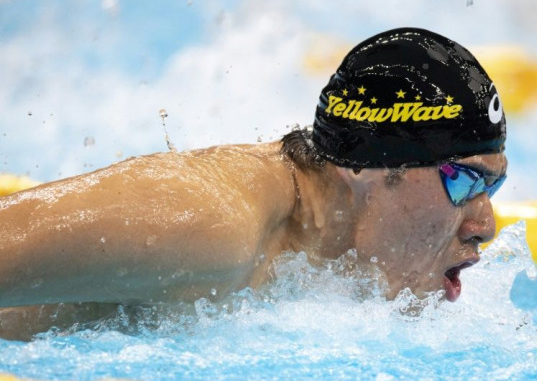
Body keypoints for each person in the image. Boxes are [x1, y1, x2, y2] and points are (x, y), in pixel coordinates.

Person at [0, 27, 508, 340]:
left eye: (493, 188)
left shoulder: (317, 271)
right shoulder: (208, 222)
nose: (485, 225)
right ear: (366, 164)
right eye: (465, 181)